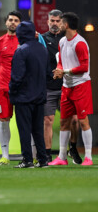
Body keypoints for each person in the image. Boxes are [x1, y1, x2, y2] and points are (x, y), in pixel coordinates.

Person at [49, 12, 94, 166]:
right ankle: (62, 157)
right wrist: (58, 70)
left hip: (81, 85)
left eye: (61, 22)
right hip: (67, 86)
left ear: (66, 25)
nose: (58, 25)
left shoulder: (80, 43)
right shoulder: (62, 41)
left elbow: (84, 67)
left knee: (83, 122)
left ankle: (88, 157)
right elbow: (61, 61)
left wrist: (65, 72)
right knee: (64, 122)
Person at [42, 9, 81, 163]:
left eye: (58, 21)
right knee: (48, 120)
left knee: (74, 121)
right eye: (52, 20)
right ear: (48, 22)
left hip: (69, 85)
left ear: (63, 23)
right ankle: (46, 154)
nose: (55, 24)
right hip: (49, 86)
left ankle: (73, 147)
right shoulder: (42, 39)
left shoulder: (69, 39)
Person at [9, 21, 49, 168]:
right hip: (40, 96)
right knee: (38, 130)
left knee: (25, 130)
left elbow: (17, 77)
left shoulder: (21, 51)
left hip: (24, 98)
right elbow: (46, 73)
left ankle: (27, 160)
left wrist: (12, 93)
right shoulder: (42, 49)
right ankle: (43, 160)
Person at [0, 11, 22, 166]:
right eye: (10, 20)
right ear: (6, 22)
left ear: (20, 24)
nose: (13, 22)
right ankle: (5, 156)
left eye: (16, 20)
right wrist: (5, 78)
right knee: (4, 120)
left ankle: (30, 155)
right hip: (3, 87)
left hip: (22, 87)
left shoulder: (24, 41)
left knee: (25, 121)